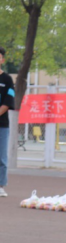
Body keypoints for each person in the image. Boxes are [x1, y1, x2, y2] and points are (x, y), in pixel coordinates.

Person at [0, 47, 15, 198]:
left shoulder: (7, 80)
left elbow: (8, 101)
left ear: (2, 60)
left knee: (1, 157)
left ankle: (1, 185)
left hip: (2, 126)